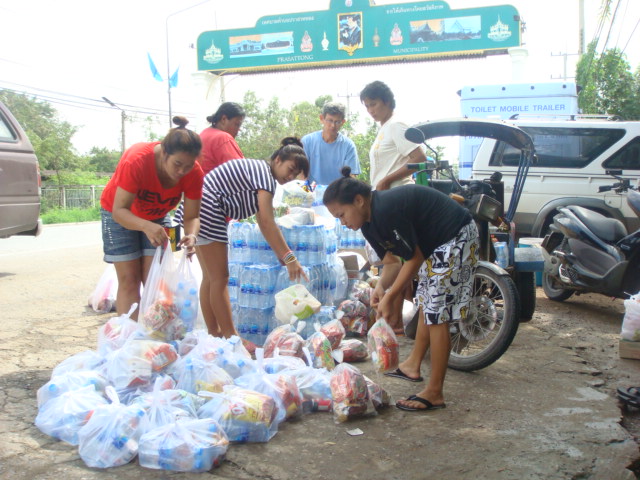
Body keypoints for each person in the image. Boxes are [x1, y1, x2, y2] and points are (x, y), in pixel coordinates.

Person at [323, 167, 479, 412]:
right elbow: (392, 262)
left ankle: (435, 392)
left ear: (359, 200)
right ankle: (412, 365)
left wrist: (391, 297)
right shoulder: (368, 225)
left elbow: (413, 260)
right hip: (434, 245)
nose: (343, 222)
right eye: (338, 219)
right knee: (428, 306)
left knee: (437, 315)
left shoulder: (387, 209)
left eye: (342, 215)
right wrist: (380, 288)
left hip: (455, 236)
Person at [195, 137, 310, 339]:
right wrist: (290, 258)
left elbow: (263, 222)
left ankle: (215, 334)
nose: (290, 176)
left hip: (197, 209)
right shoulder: (265, 177)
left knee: (211, 278)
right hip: (208, 210)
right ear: (278, 160)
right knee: (220, 278)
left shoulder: (260, 172)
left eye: (295, 174)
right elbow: (267, 222)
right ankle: (231, 337)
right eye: (290, 169)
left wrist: (281, 255)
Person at [100, 116, 204, 318]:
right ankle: (130, 341)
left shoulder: (194, 174)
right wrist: (146, 226)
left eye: (189, 165)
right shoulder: (137, 160)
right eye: (177, 164)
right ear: (164, 153)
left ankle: (152, 337)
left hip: (157, 217)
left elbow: (191, 216)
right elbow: (119, 211)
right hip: (121, 215)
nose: (182, 171)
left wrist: (192, 236)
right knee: (129, 279)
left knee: (154, 281)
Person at [360, 80, 427, 191]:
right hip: (384, 194)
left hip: (398, 193)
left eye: (373, 104)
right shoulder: (385, 128)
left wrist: (387, 180)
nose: (370, 110)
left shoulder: (396, 125)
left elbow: (419, 158)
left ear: (387, 102)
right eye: (367, 106)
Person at [301, 102, 360, 186]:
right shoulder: (307, 141)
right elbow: (301, 173)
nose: (333, 125)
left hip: (337, 195)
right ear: (322, 118)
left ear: (343, 122)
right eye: (330, 120)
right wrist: (306, 193)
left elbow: (352, 176)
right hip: (311, 193)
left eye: (337, 122)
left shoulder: (348, 146)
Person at [199, 102, 245, 174]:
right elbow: (240, 173)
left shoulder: (204, 133)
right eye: (237, 124)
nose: (239, 129)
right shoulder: (223, 138)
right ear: (224, 119)